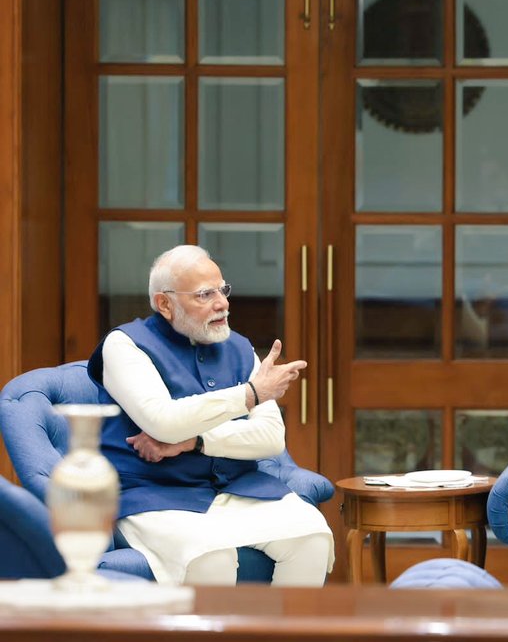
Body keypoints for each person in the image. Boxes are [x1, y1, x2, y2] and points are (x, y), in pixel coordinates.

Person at [86, 245, 334, 586]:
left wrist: (196, 441)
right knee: (210, 557)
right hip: (156, 495)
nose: (223, 303)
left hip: (237, 489)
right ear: (164, 304)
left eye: (222, 289)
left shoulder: (239, 347)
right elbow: (163, 421)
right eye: (205, 294)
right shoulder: (125, 345)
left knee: (312, 538)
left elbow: (271, 439)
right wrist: (250, 395)